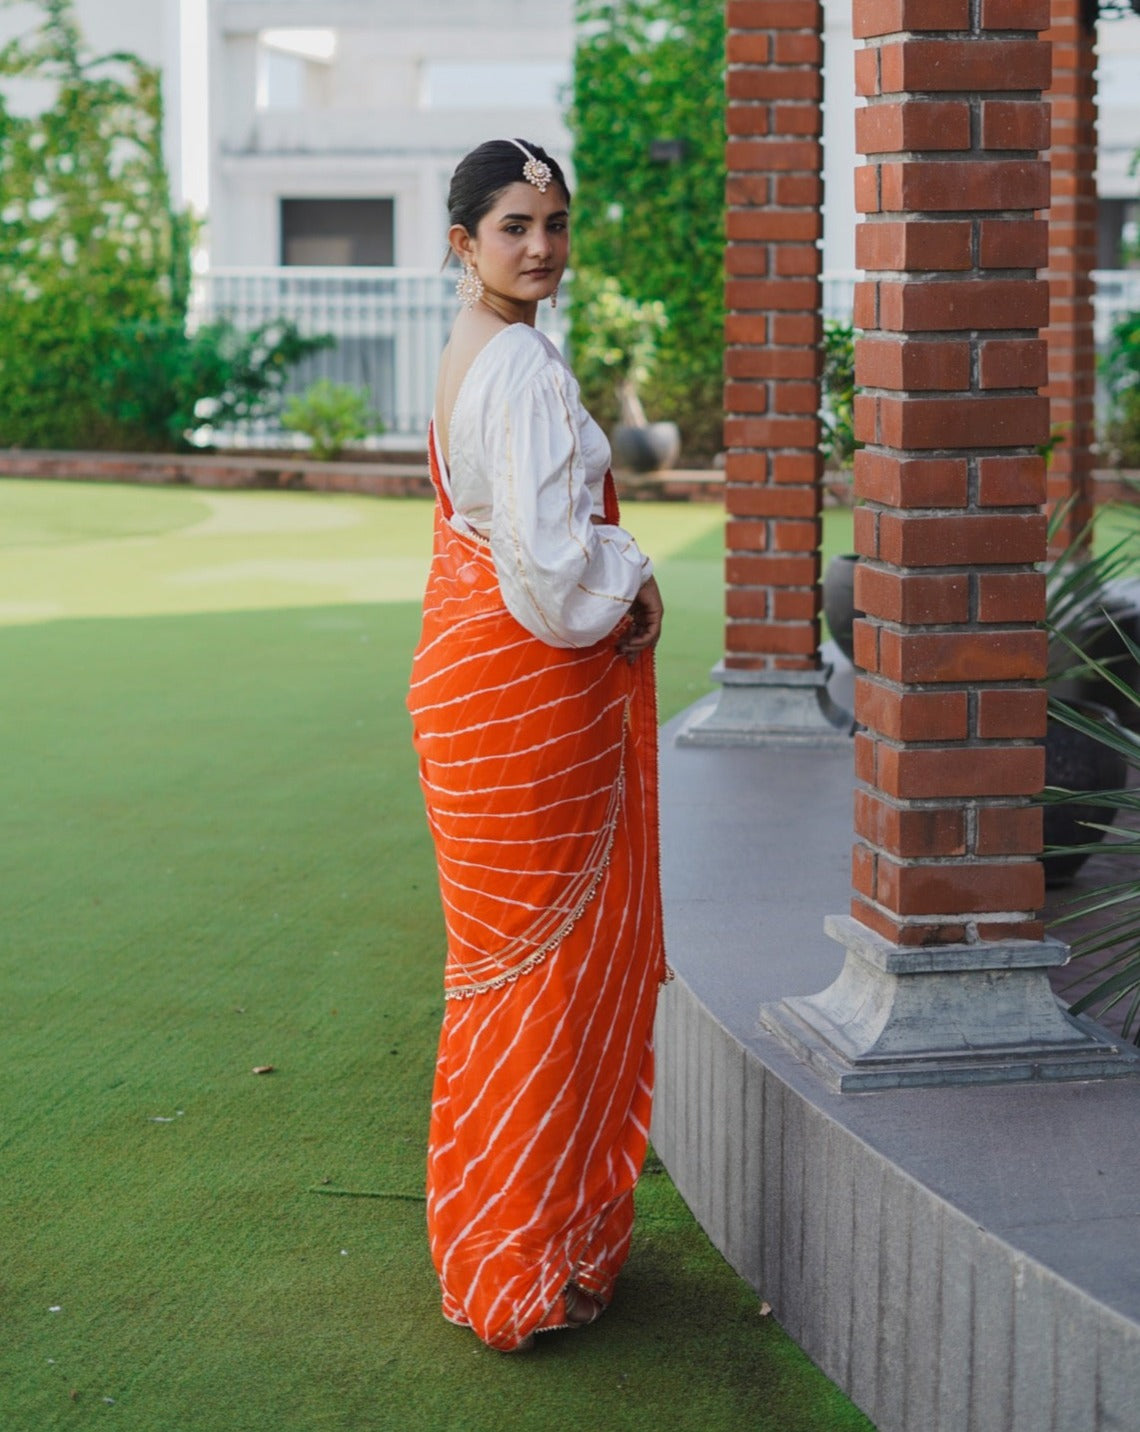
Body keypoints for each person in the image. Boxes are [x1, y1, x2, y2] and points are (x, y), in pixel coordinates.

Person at [407, 138, 667, 1354]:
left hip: (469, 681)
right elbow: (558, 580)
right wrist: (636, 573)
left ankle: (498, 1240)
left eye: (556, 224)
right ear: (464, 243)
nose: (543, 246)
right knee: (549, 977)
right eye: (515, 226)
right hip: (528, 697)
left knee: (504, 978)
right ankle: (529, 1259)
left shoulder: (475, 344)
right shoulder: (514, 364)